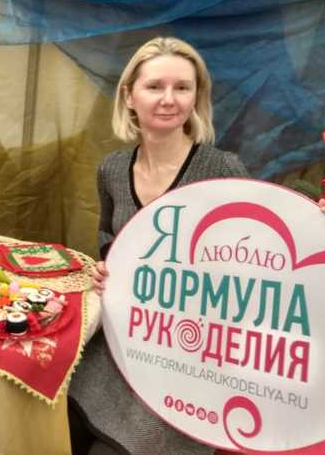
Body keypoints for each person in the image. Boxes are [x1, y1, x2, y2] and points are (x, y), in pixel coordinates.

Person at [67, 37, 249, 455]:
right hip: (120, 343)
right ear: (129, 96)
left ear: (196, 97)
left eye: (182, 87)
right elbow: (109, 240)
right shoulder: (112, 169)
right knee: (55, 416)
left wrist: (314, 221)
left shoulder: (223, 170)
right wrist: (107, 269)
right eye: (155, 86)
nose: (169, 99)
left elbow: (259, 264)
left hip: (189, 357)